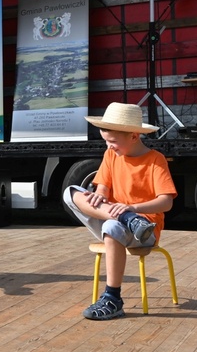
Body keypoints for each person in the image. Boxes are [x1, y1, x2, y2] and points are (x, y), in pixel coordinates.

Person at [63, 102, 177, 320]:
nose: (108, 146)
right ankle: (127, 219)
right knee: (71, 192)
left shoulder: (155, 160)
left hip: (145, 229)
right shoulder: (111, 155)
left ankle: (112, 298)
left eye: (112, 141)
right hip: (116, 218)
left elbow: (166, 203)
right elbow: (103, 186)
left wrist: (133, 208)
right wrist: (101, 195)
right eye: (106, 141)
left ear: (134, 136)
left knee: (111, 225)